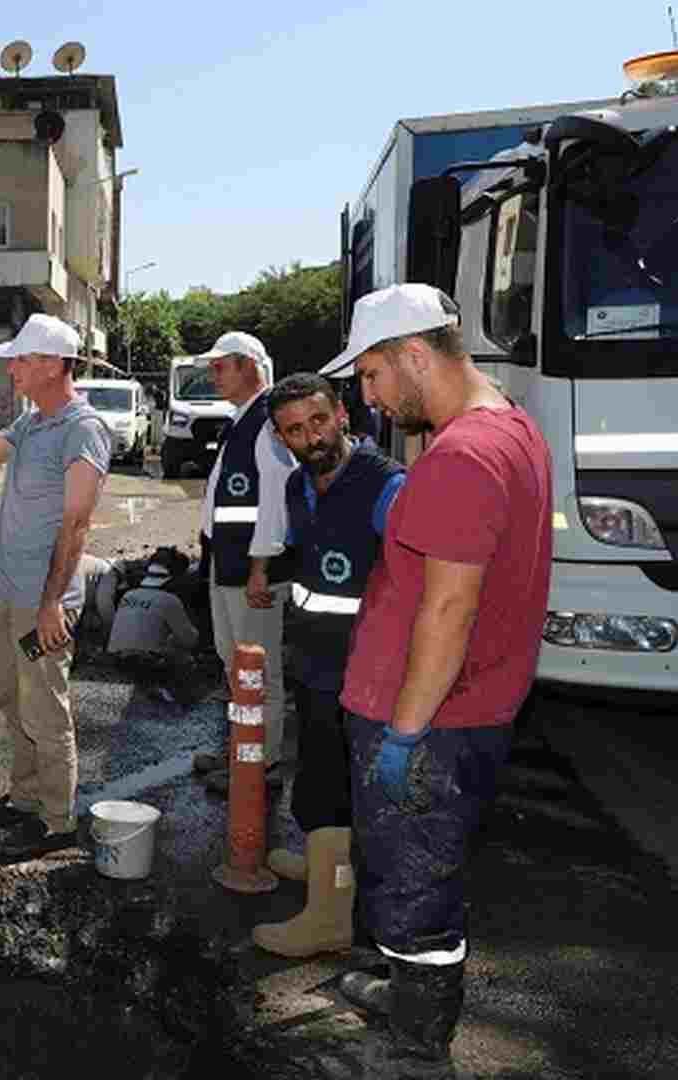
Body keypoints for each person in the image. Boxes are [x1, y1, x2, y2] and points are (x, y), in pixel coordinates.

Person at [320, 284, 552, 1078]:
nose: (368, 398)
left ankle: (414, 1050)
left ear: (414, 355)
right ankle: (403, 997)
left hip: (427, 720)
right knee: (408, 873)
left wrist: (405, 734)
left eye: (372, 375)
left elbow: (448, 609)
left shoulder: (462, 456)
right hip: (458, 709)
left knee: (415, 887)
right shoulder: (507, 427)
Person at [250, 372, 404, 960]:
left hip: (364, 673)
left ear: (342, 414)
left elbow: (422, 578)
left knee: (341, 787)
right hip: (315, 666)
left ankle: (330, 918)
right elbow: (308, 562)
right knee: (317, 778)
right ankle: (324, 867)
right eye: (294, 430)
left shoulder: (385, 486)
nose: (311, 438)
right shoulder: (298, 486)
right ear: (280, 437)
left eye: (319, 421)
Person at [0, 313, 112, 859]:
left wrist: (51, 604)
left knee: (45, 709)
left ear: (51, 365)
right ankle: (24, 799)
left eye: (21, 359)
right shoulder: (34, 421)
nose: (12, 369)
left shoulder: (82, 429)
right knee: (15, 701)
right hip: (12, 594)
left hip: (42, 602)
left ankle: (57, 822)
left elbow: (77, 524)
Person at [191, 331, 299, 795]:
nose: (212, 375)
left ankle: (263, 762)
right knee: (235, 664)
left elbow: (276, 499)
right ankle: (242, 747)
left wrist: (261, 568)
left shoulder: (267, 422)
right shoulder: (244, 420)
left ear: (249, 366)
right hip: (230, 564)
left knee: (259, 669)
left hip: (253, 570)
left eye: (220, 366)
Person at [104, 548, 201, 704]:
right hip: (151, 665)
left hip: (118, 661)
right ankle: (173, 693)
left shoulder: (128, 595)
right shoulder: (169, 600)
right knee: (183, 653)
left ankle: (146, 686)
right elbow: (190, 640)